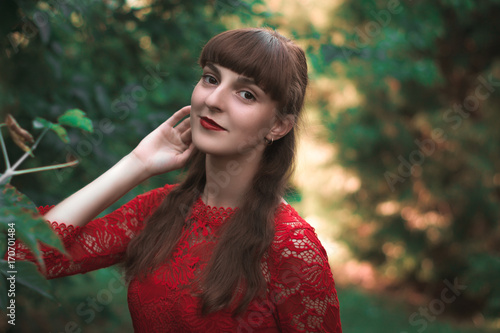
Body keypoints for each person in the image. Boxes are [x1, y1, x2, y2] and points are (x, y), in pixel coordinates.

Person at [13, 28, 342, 332]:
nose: (212, 101)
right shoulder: (159, 211)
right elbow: (22, 257)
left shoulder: (291, 247)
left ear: (279, 126)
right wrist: (136, 164)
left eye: (246, 95)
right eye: (211, 79)